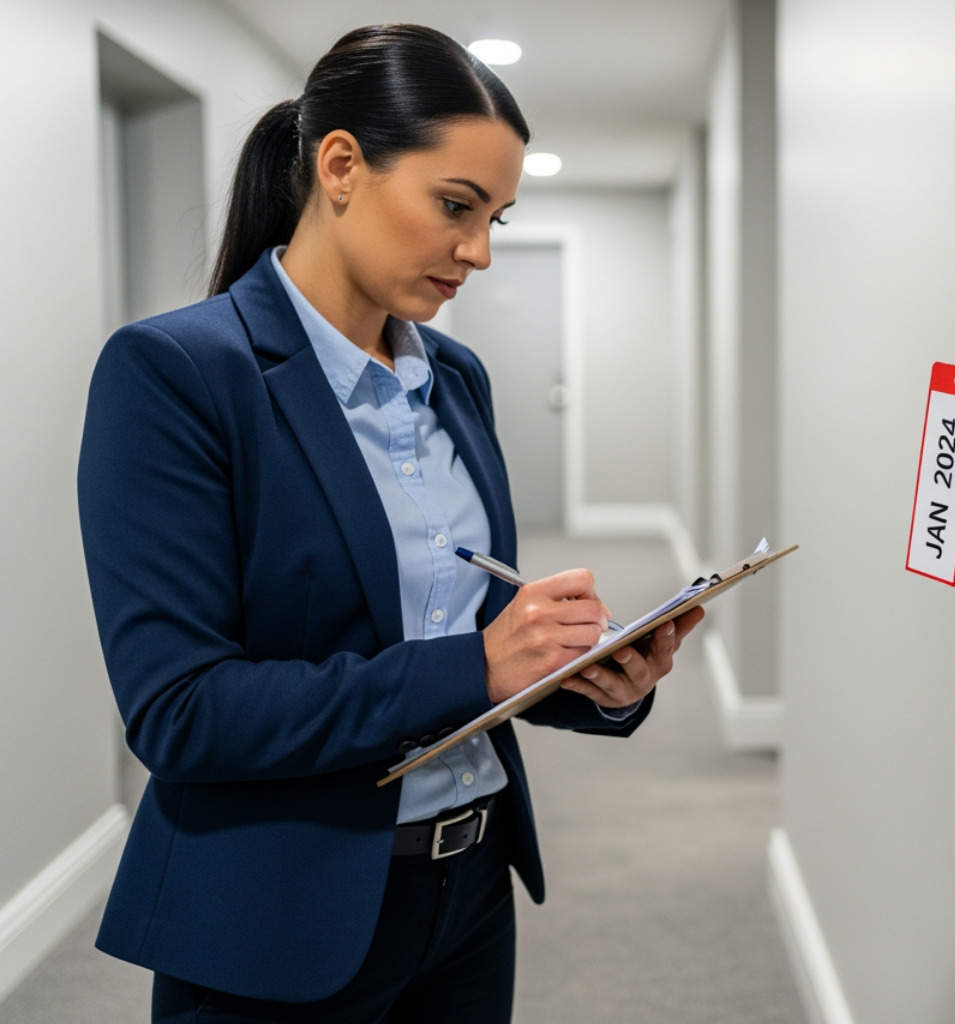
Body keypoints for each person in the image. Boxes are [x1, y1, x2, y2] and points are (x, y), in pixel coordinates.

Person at [76, 23, 703, 1022]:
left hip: (466, 896)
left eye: (497, 216)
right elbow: (182, 711)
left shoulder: (456, 378)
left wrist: (585, 676)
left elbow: (455, 645)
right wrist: (480, 664)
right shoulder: (176, 375)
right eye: (456, 207)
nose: (480, 252)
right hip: (276, 923)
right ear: (339, 166)